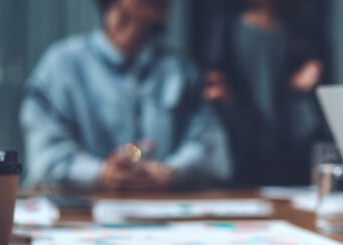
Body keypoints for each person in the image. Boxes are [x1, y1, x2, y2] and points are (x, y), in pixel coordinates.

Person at [21, 0, 232, 191]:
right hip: (79, 218)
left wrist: (170, 171)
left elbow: (210, 148)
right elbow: (44, 160)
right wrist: (100, 173)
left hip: (164, 217)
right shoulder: (61, 66)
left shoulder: (181, 69)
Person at [202, 0, 331, 186]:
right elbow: (214, 83)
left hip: (290, 147)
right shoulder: (226, 28)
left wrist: (308, 79)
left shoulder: (302, 32)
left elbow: (319, 94)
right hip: (241, 144)